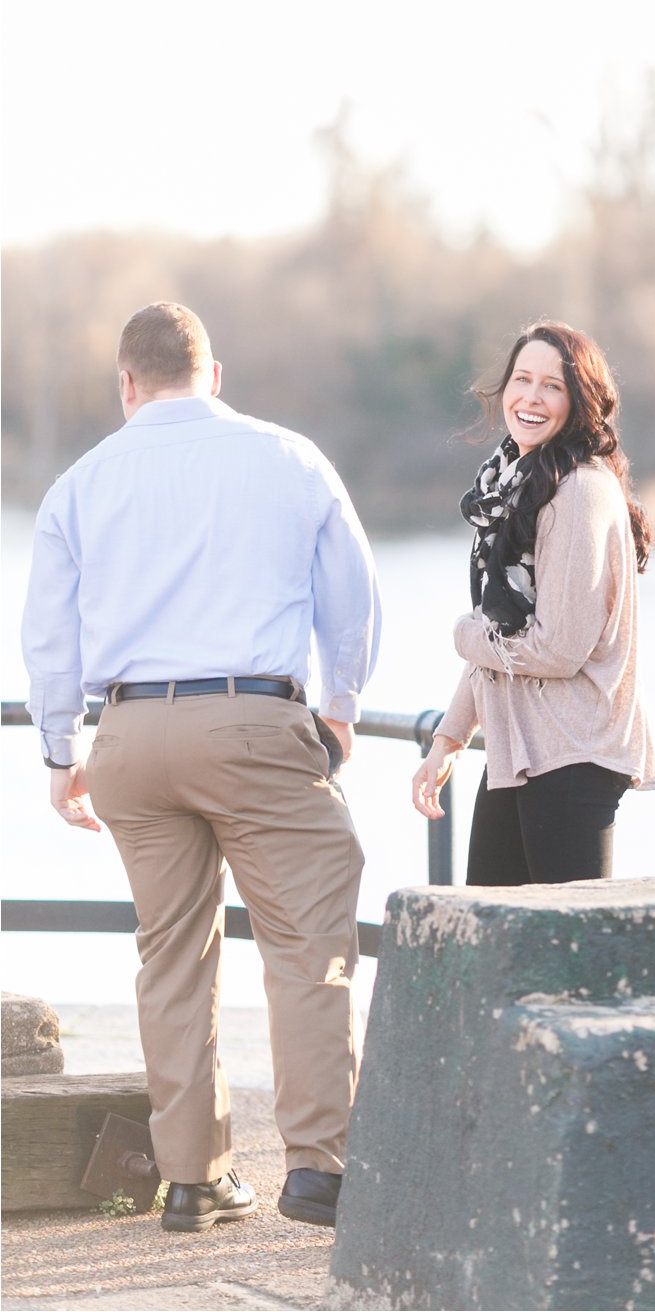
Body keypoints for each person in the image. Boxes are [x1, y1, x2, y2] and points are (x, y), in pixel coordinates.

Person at [21, 302, 380, 1233]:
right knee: (307, 945)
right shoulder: (288, 458)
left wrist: (63, 750)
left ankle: (193, 1179)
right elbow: (352, 596)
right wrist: (341, 704)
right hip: (255, 722)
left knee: (171, 957)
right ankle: (319, 1171)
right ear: (212, 374)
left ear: (126, 385)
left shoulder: (79, 483)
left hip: (131, 737)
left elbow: (48, 636)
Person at [412, 320, 655, 881]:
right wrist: (449, 739)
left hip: (574, 751)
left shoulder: (578, 492)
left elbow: (555, 649)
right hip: (521, 749)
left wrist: (464, 634)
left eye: (553, 385)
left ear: (579, 402)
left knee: (569, 954)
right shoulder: (517, 487)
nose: (531, 396)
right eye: (522, 379)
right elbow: (505, 638)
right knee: (495, 942)